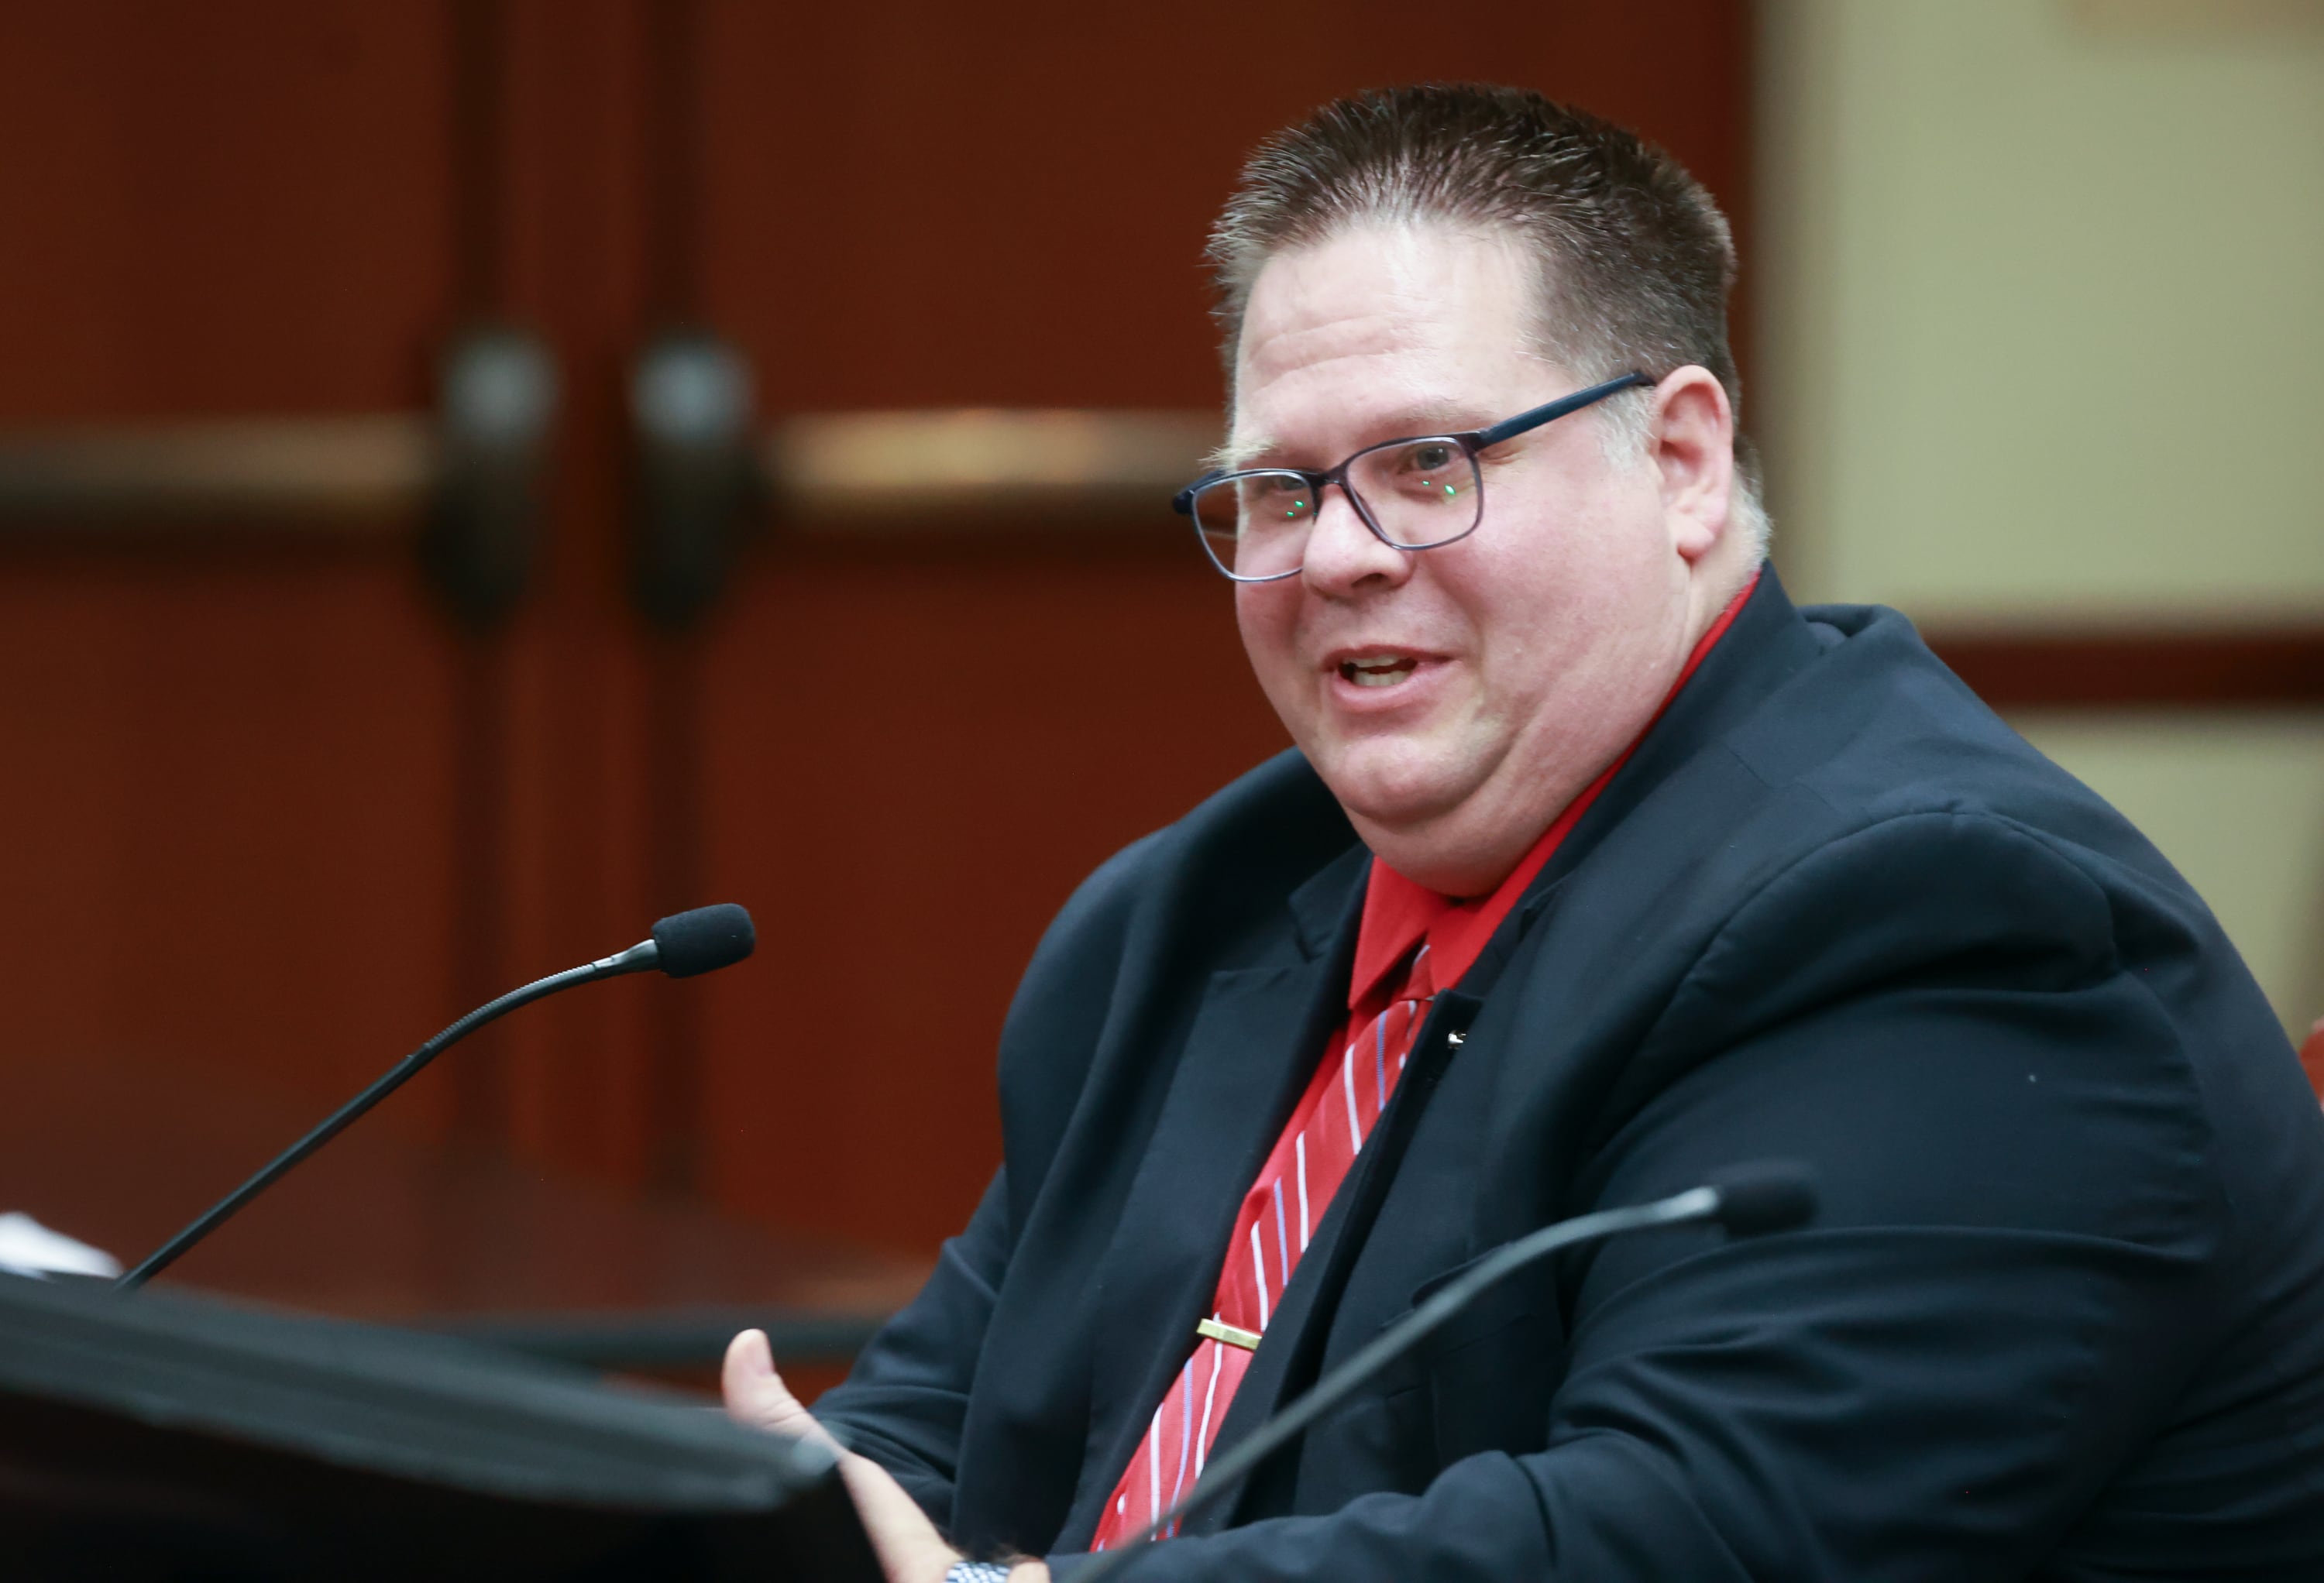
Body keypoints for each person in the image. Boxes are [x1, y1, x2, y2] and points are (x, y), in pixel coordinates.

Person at [724, 85, 2324, 1581]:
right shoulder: (1201, 908)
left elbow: (1665, 1533)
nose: (1338, 552)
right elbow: (930, 1435)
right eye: (1278, 491)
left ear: (1682, 461)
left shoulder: (1944, 927)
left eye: (1429, 465)